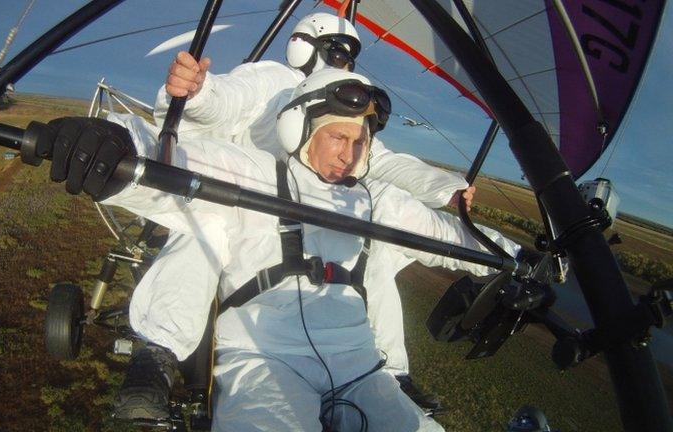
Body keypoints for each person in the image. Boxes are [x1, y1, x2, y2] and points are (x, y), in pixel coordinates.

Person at [32, 68, 520, 431]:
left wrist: (523, 263)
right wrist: (112, 140)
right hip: (264, 358)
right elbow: (172, 162)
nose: (347, 153)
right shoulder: (255, 176)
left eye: (359, 141)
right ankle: (157, 350)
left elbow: (455, 238)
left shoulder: (378, 201)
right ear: (301, 130)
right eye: (336, 136)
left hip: (360, 363)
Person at [125, 12, 474, 418]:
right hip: (244, 197)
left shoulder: (339, 101)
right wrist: (198, 93)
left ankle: (391, 372)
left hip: (313, 211)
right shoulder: (272, 79)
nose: (342, 61)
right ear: (305, 44)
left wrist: (442, 187)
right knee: (205, 228)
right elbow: (225, 101)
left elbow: (382, 159)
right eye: (336, 51)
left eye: (348, 55)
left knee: (369, 249)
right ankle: (160, 349)